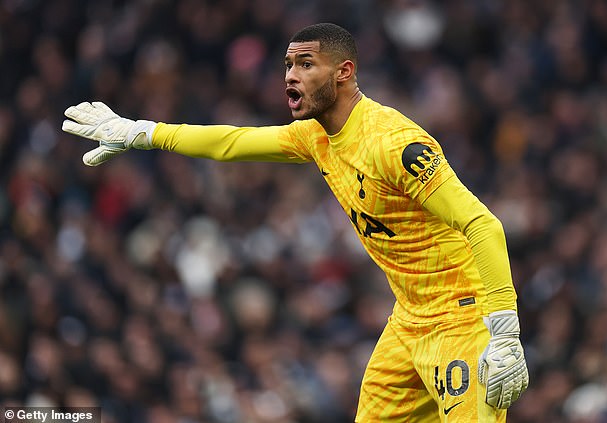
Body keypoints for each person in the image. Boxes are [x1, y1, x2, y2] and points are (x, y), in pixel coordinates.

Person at [62, 22, 528, 422]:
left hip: (465, 322)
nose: (290, 77)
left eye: (305, 65)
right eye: (288, 66)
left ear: (344, 72)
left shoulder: (395, 144)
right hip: (409, 320)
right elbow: (232, 142)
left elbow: (484, 226)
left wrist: (504, 332)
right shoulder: (316, 137)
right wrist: (142, 132)